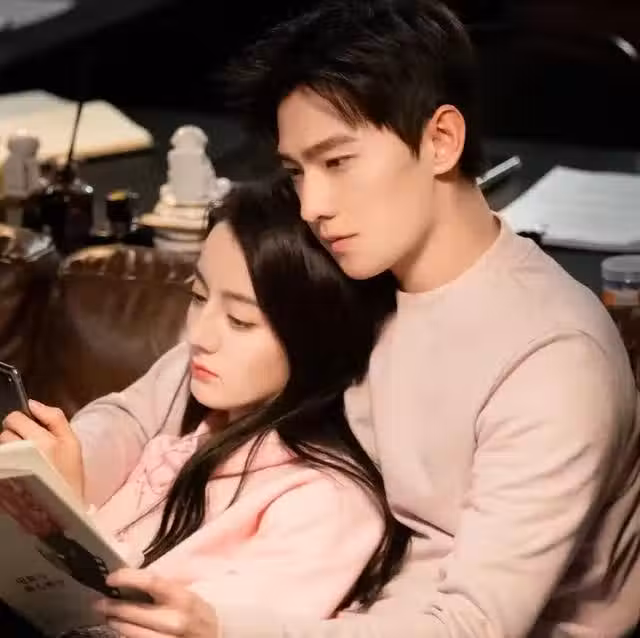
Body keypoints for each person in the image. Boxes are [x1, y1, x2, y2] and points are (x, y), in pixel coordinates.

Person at [8, 0, 640, 636]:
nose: (311, 204)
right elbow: (150, 405)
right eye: (296, 170)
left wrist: (222, 629)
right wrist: (58, 469)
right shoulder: (355, 267)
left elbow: (472, 626)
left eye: (337, 162)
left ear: (441, 141)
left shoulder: (553, 362)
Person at [0, 177, 410, 633]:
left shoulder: (328, 507)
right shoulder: (201, 402)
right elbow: (121, 417)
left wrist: (67, 518)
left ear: (317, 335)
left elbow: (174, 627)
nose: (199, 335)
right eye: (198, 296)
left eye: (239, 320)